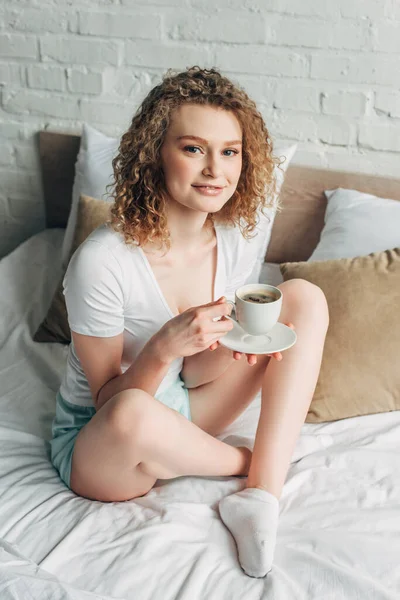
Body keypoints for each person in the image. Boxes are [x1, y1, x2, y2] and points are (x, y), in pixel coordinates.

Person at [50, 66, 329, 578]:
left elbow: (197, 376)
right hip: (104, 440)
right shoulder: (102, 261)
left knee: (305, 299)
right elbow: (109, 404)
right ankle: (252, 464)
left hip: (185, 409)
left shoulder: (232, 239)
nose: (215, 171)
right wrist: (162, 347)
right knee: (134, 411)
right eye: (193, 148)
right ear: (155, 153)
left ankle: (260, 496)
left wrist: (230, 347)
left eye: (230, 151)